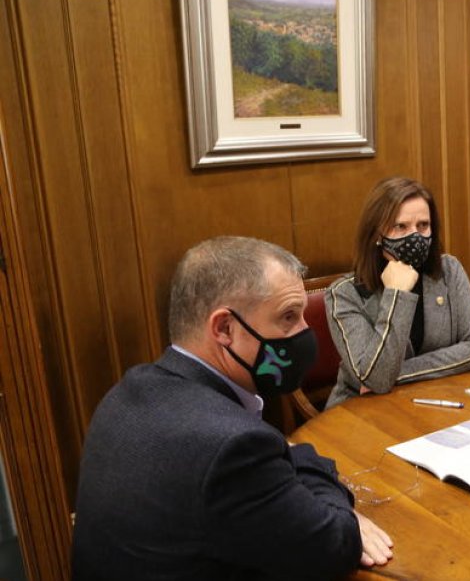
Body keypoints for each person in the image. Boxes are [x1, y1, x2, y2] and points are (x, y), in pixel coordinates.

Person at [72, 236, 393, 580]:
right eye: (288, 317)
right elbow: (335, 545)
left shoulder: (128, 391)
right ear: (225, 328)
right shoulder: (232, 448)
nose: (304, 331)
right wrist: (306, 461)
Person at [325, 176, 470, 408]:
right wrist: (396, 294)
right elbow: (377, 380)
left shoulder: (449, 270)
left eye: (423, 226)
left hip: (434, 400)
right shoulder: (344, 294)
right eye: (400, 226)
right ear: (376, 234)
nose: (415, 236)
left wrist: (399, 374)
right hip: (362, 409)